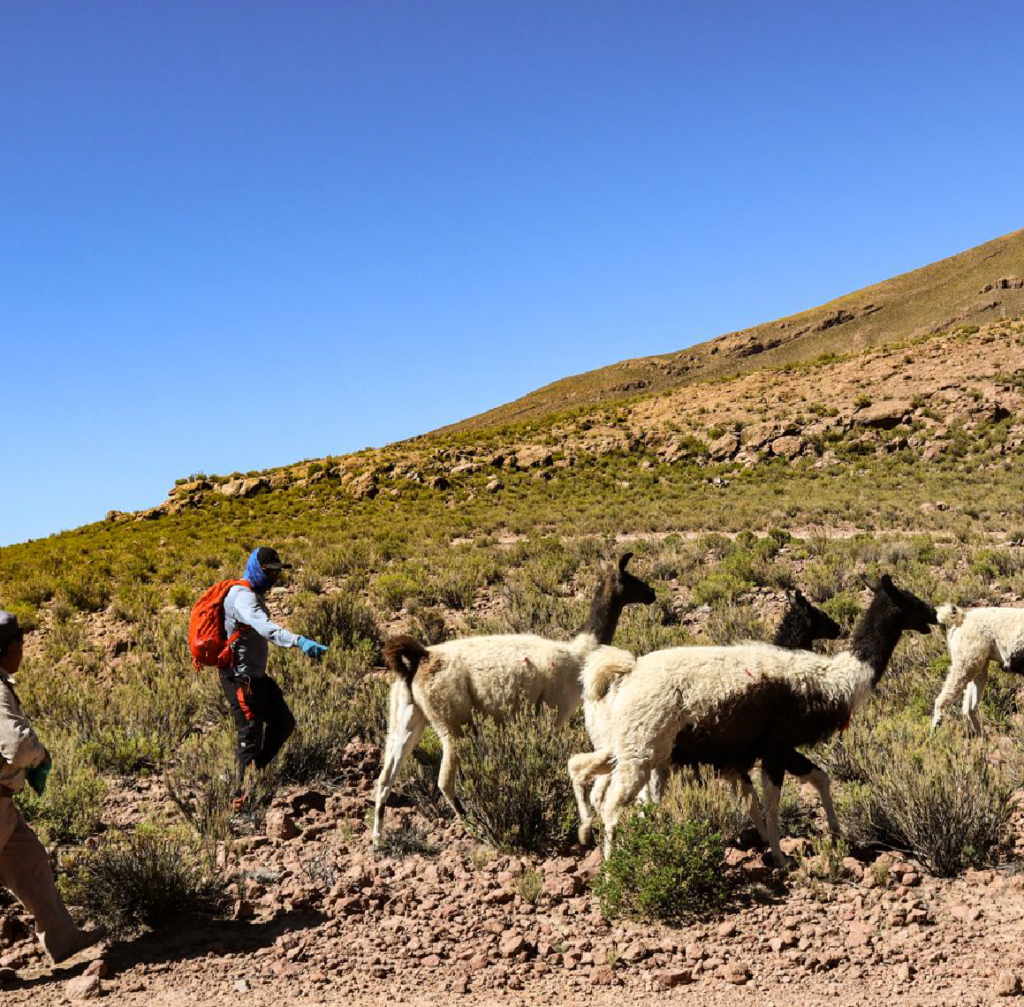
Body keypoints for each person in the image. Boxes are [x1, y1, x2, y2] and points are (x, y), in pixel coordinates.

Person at [0, 611, 105, 963]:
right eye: (21, 645)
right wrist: (40, 755)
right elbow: (17, 746)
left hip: (4, 805)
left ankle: (63, 940)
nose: (23, 651)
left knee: (29, 860)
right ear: (9, 648)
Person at [221, 547, 328, 808]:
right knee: (250, 736)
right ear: (258, 570)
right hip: (240, 679)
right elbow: (266, 629)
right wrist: (299, 641)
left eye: (277, 574)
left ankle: (255, 775)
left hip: (256, 678)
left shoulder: (253, 594)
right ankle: (241, 803)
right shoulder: (243, 598)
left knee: (283, 722)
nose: (274, 579)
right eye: (270, 573)